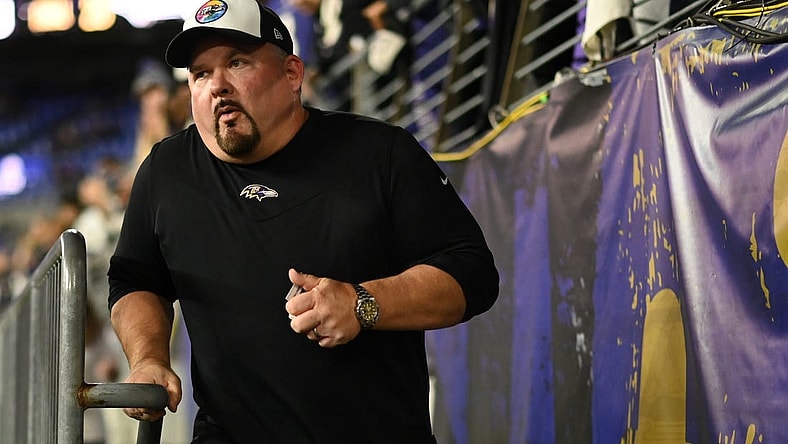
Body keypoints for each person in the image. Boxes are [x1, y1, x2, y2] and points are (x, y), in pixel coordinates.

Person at [107, 0, 499, 442]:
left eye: (237, 63)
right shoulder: (167, 170)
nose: (217, 86)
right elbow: (135, 279)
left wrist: (363, 303)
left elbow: (473, 273)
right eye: (200, 73)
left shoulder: (379, 153)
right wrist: (148, 357)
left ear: (292, 74)